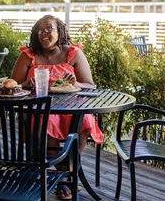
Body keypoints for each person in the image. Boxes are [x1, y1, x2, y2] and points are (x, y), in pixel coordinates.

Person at [10, 14, 103, 200]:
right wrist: (27, 84)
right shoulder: (28, 55)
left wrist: (76, 84)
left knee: (85, 121)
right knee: (46, 121)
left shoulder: (73, 53)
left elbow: (90, 85)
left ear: (59, 31)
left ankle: (62, 175)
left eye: (49, 29)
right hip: (39, 107)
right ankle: (65, 177)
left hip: (71, 108)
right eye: (40, 30)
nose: (44, 33)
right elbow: (13, 83)